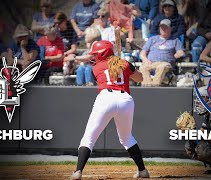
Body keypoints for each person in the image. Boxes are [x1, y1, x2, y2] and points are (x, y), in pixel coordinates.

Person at [70, 40, 149, 179]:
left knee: (89, 138)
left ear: (102, 53)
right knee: (127, 138)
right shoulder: (124, 63)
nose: (94, 56)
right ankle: (142, 170)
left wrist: (118, 64)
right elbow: (140, 79)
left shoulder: (96, 67)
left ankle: (77, 172)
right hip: (126, 100)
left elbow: (103, 70)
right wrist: (127, 65)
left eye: (96, 53)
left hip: (106, 98)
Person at [139, 19, 185, 86]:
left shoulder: (175, 40)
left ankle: (155, 87)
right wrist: (145, 60)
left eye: (165, 27)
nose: (163, 29)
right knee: (143, 68)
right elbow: (142, 53)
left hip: (165, 63)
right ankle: (147, 88)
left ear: (170, 29)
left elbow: (181, 52)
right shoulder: (152, 39)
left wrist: (173, 57)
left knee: (161, 67)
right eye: (161, 27)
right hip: (150, 62)